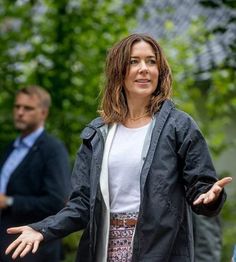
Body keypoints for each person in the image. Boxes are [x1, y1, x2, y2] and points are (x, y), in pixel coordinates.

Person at [4, 34, 232, 262]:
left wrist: (209, 196)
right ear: (118, 71)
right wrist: (42, 229)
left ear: (160, 70)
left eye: (151, 61)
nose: (144, 68)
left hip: (160, 250)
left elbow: (201, 188)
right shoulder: (98, 133)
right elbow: (82, 204)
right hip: (104, 248)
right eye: (134, 61)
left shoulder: (179, 126)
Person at [0, 86, 71, 262]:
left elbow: (56, 202)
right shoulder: (11, 148)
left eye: (28, 108)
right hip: (7, 246)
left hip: (34, 250)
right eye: (17, 107)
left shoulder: (53, 150)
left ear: (43, 113)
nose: (20, 112)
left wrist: (9, 201)